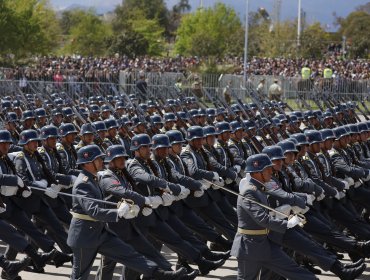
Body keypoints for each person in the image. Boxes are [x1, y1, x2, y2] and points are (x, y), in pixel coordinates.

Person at [67, 144, 186, 280]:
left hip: (100, 232)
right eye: (98, 159)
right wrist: (118, 212)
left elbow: (103, 202)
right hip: (84, 236)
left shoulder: (94, 179)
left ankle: (160, 274)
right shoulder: (84, 183)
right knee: (80, 277)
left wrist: (123, 206)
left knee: (130, 254)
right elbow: (93, 210)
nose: (101, 161)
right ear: (88, 163)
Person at [231, 153, 318, 280]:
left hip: (265, 244)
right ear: (256, 172)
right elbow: (262, 219)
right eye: (267, 169)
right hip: (249, 247)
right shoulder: (249, 191)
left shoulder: (259, 188)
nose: (271, 172)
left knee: (296, 271)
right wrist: (287, 224)